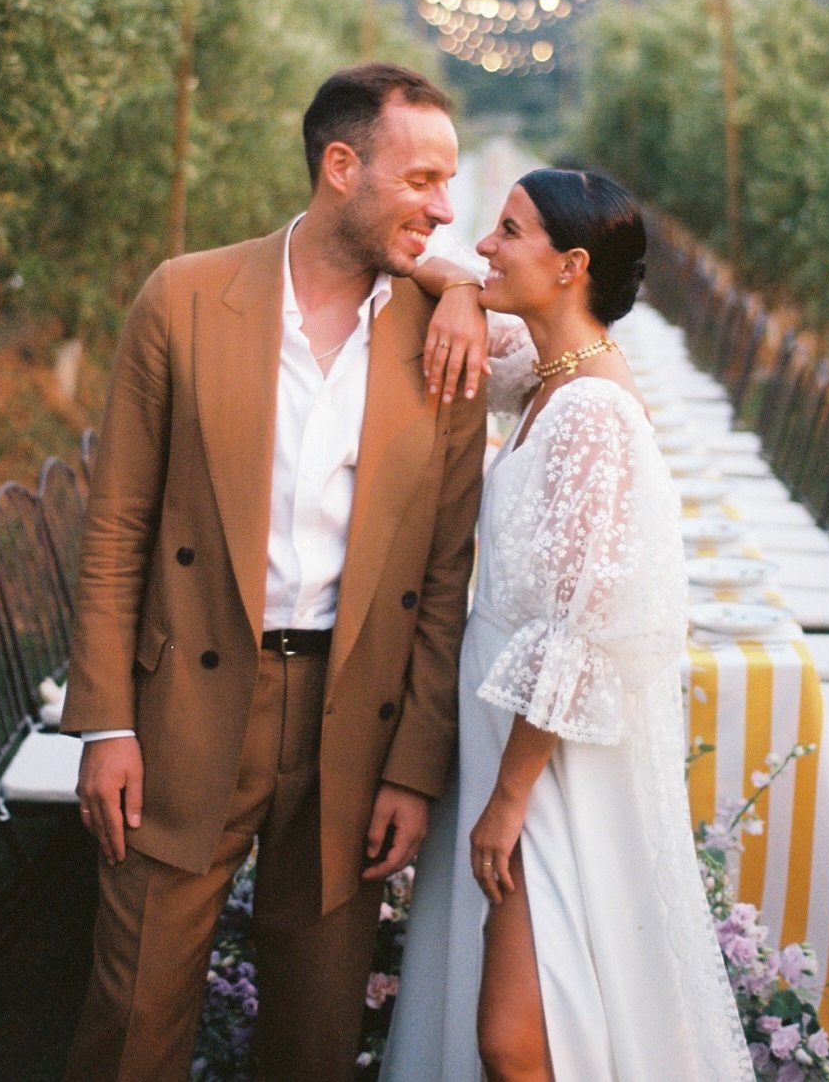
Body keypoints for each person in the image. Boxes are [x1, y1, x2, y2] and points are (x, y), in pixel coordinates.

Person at [60, 62, 489, 1081]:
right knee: (135, 1016)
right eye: (423, 178)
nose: (445, 206)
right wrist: (107, 723)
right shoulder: (186, 298)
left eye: (450, 182)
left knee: (317, 1024)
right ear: (342, 166)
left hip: (356, 716)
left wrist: (414, 767)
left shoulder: (446, 340)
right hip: (184, 709)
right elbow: (117, 526)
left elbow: (442, 577)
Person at [384, 169, 754, 1081]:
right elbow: (426, 265)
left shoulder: (590, 412)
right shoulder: (551, 373)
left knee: (514, 1042)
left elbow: (580, 631)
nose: (482, 243)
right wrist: (467, 293)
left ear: (570, 265)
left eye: (507, 231)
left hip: (544, 758)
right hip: (514, 732)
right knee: (539, 1014)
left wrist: (508, 799)